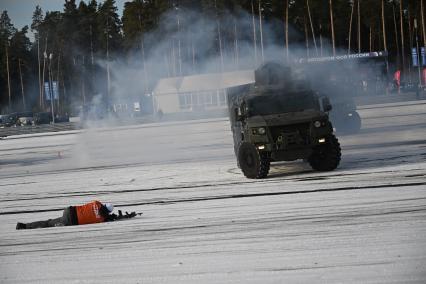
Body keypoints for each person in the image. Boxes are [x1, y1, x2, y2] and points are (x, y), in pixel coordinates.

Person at [16, 200, 137, 230]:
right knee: (49, 224)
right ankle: (24, 227)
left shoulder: (96, 202)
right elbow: (108, 218)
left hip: (69, 211)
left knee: (49, 221)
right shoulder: (102, 219)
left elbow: (99, 210)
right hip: (72, 221)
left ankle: (25, 225)